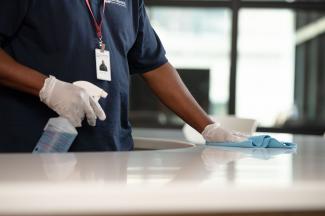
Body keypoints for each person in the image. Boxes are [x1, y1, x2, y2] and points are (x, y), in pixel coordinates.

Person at [0, 0, 246, 152]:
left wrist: (209, 128)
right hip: (34, 153)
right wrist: (48, 87)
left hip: (111, 154)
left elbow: (155, 65)